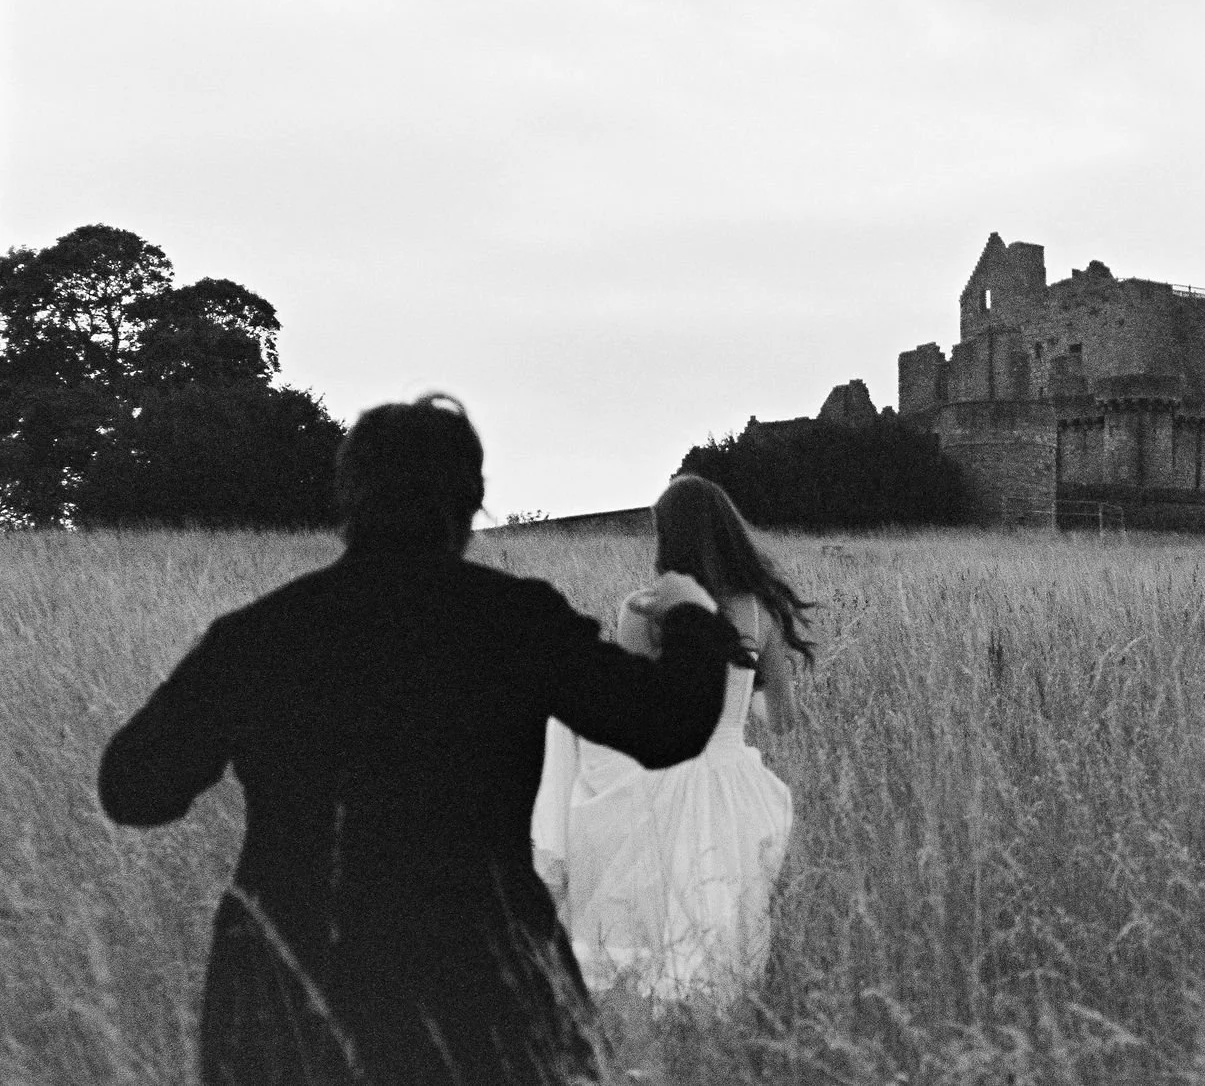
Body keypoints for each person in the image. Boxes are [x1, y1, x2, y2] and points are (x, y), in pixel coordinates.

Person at [98, 395, 743, 1086]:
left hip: (287, 984)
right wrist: (694, 620)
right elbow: (667, 727)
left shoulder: (259, 634)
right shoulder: (515, 622)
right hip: (482, 983)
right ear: (469, 502)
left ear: (347, 498)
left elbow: (133, 790)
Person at [531, 474, 814, 1009]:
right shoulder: (761, 611)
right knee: (722, 921)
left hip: (657, 778)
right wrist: (738, 697)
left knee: (646, 931)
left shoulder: (644, 609)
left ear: (668, 538)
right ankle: (712, 1039)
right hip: (732, 786)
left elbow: (635, 713)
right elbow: (784, 720)